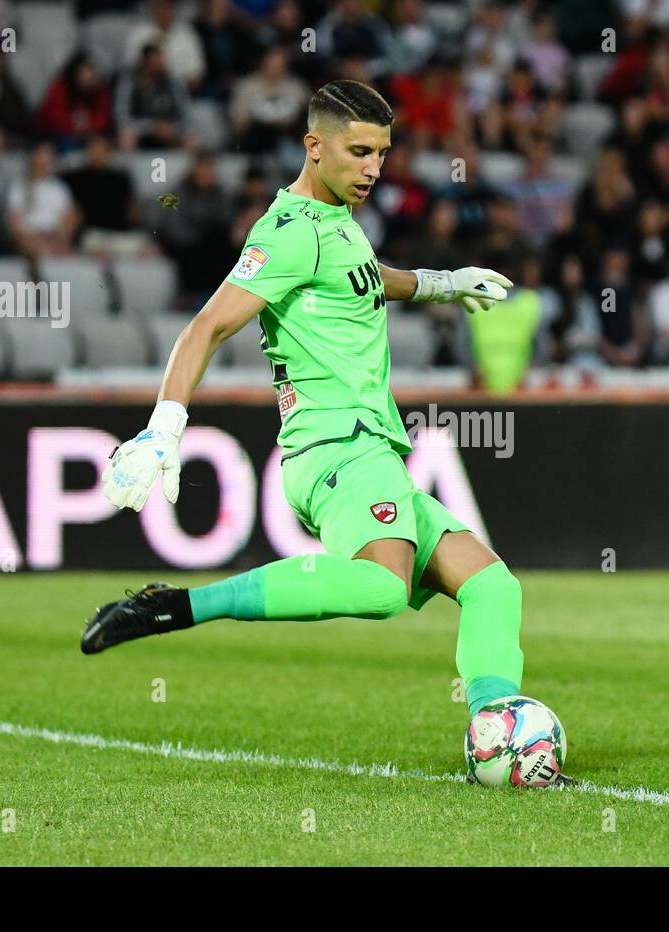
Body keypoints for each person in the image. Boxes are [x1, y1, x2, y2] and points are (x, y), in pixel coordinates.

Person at [82, 81, 561, 767]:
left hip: (372, 448)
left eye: (382, 155)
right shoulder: (287, 232)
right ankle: (180, 606)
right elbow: (207, 325)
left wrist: (442, 281)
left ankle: (497, 734)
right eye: (358, 151)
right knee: (381, 589)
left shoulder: (338, 222)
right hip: (333, 447)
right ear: (314, 146)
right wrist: (164, 427)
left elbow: (368, 278)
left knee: (491, 587)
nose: (372, 168)